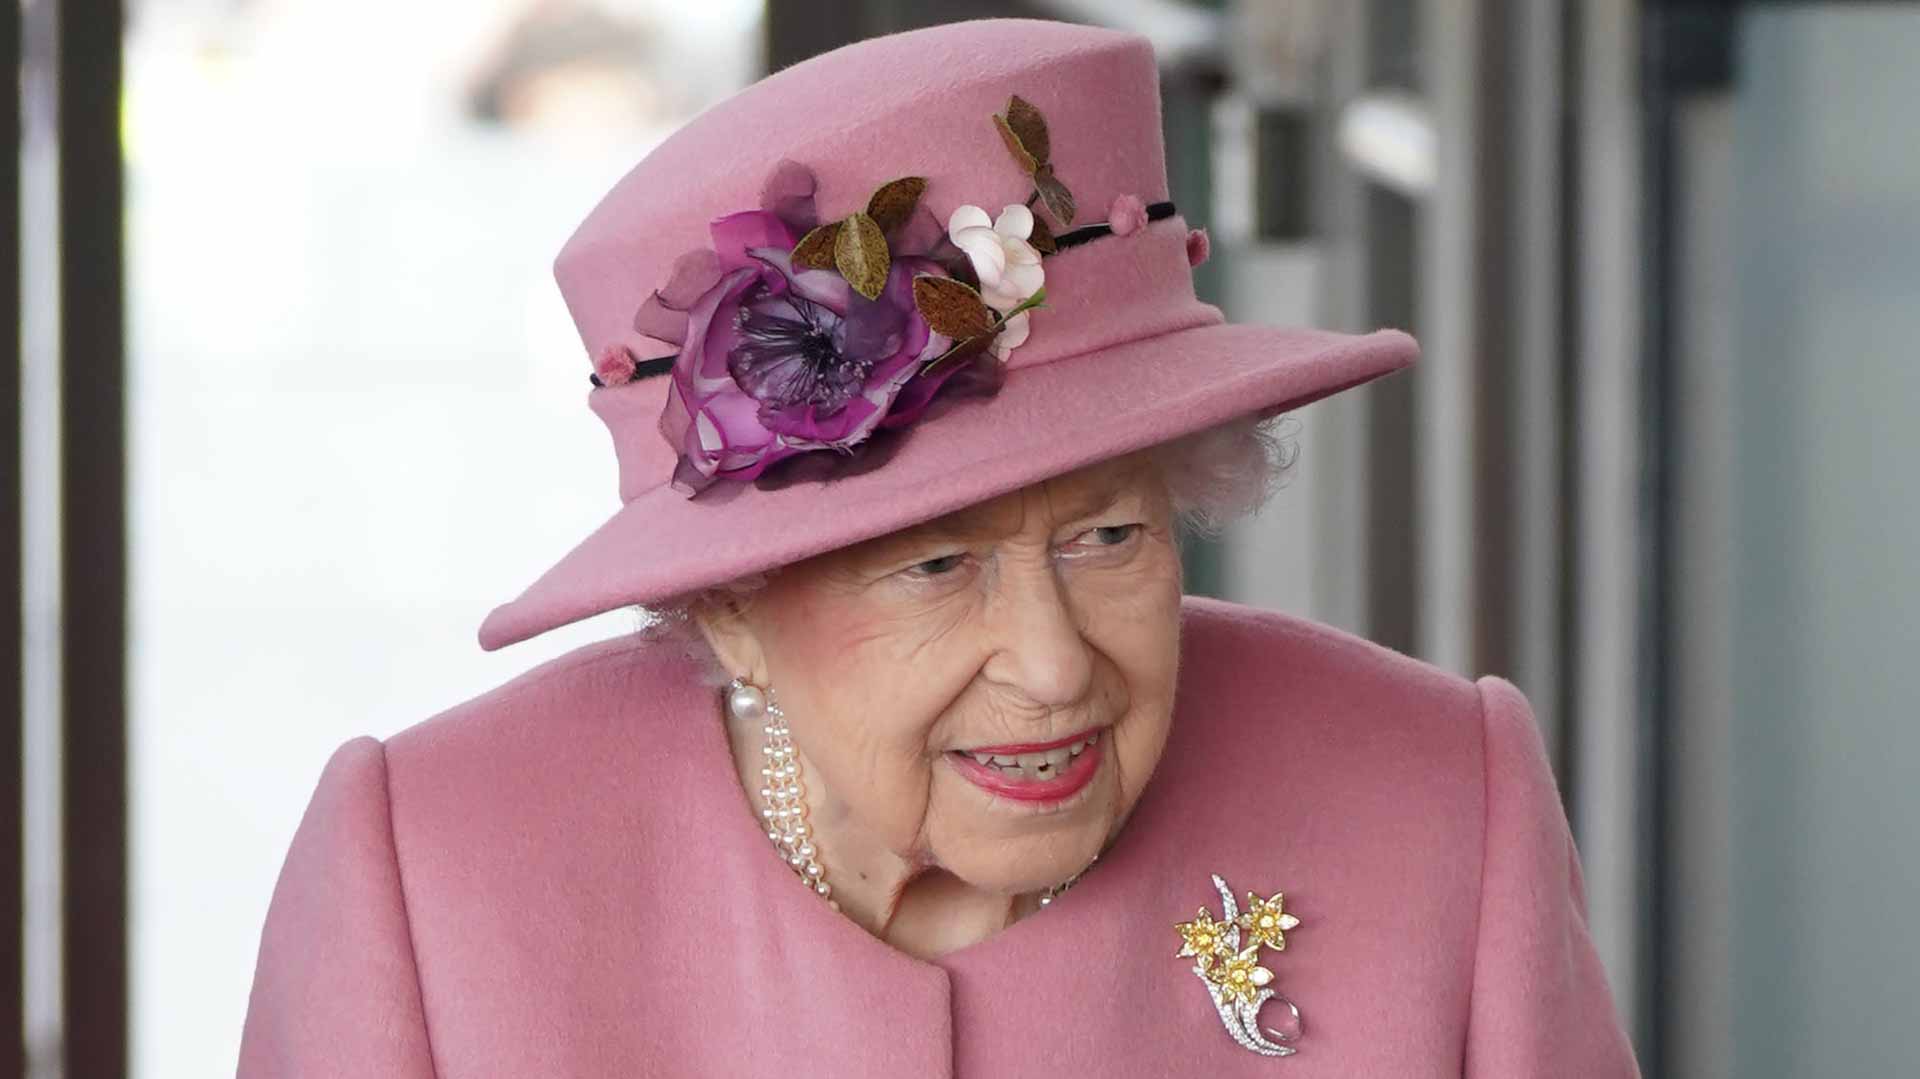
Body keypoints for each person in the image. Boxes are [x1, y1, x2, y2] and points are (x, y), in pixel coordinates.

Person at [239, 18, 1639, 1077]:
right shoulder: (433, 876)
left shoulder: (1437, 802)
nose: (1049, 667)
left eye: (1107, 534)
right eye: (935, 564)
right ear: (727, 603)